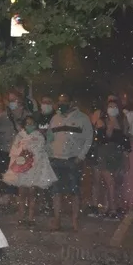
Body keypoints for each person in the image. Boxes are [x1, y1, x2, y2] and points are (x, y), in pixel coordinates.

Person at [47, 93, 93, 231]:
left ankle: (75, 221)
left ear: (72, 102)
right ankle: (57, 220)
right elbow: (49, 138)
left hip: (73, 159)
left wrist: (81, 156)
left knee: (74, 192)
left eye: (65, 101)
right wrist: (49, 154)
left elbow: (88, 138)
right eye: (60, 101)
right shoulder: (55, 118)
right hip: (56, 159)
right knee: (56, 192)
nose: (61, 104)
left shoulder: (82, 118)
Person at [2, 115, 57, 226]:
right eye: (27, 123)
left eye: (32, 123)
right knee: (22, 193)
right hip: (21, 167)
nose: (30, 125)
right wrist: (22, 153)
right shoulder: (20, 136)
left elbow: (40, 150)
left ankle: (31, 217)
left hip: (33, 168)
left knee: (32, 193)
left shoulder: (39, 136)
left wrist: (29, 152)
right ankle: (21, 215)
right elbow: (14, 150)